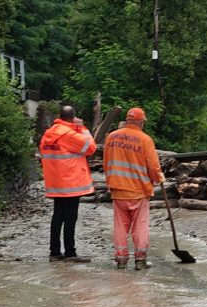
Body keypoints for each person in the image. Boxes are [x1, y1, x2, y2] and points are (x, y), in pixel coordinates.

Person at [103, 107, 164, 270]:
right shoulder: (145, 140)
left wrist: (110, 182)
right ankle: (140, 260)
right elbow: (153, 165)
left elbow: (106, 163)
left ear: (128, 120)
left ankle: (121, 259)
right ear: (141, 122)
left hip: (118, 188)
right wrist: (158, 178)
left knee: (120, 226)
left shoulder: (112, 137)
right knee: (140, 225)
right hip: (138, 190)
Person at [39, 106, 97, 262]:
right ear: (73, 118)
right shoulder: (69, 134)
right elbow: (90, 147)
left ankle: (55, 252)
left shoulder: (48, 134)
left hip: (55, 182)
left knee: (57, 216)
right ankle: (70, 253)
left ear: (59, 116)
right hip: (70, 183)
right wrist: (82, 128)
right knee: (70, 218)